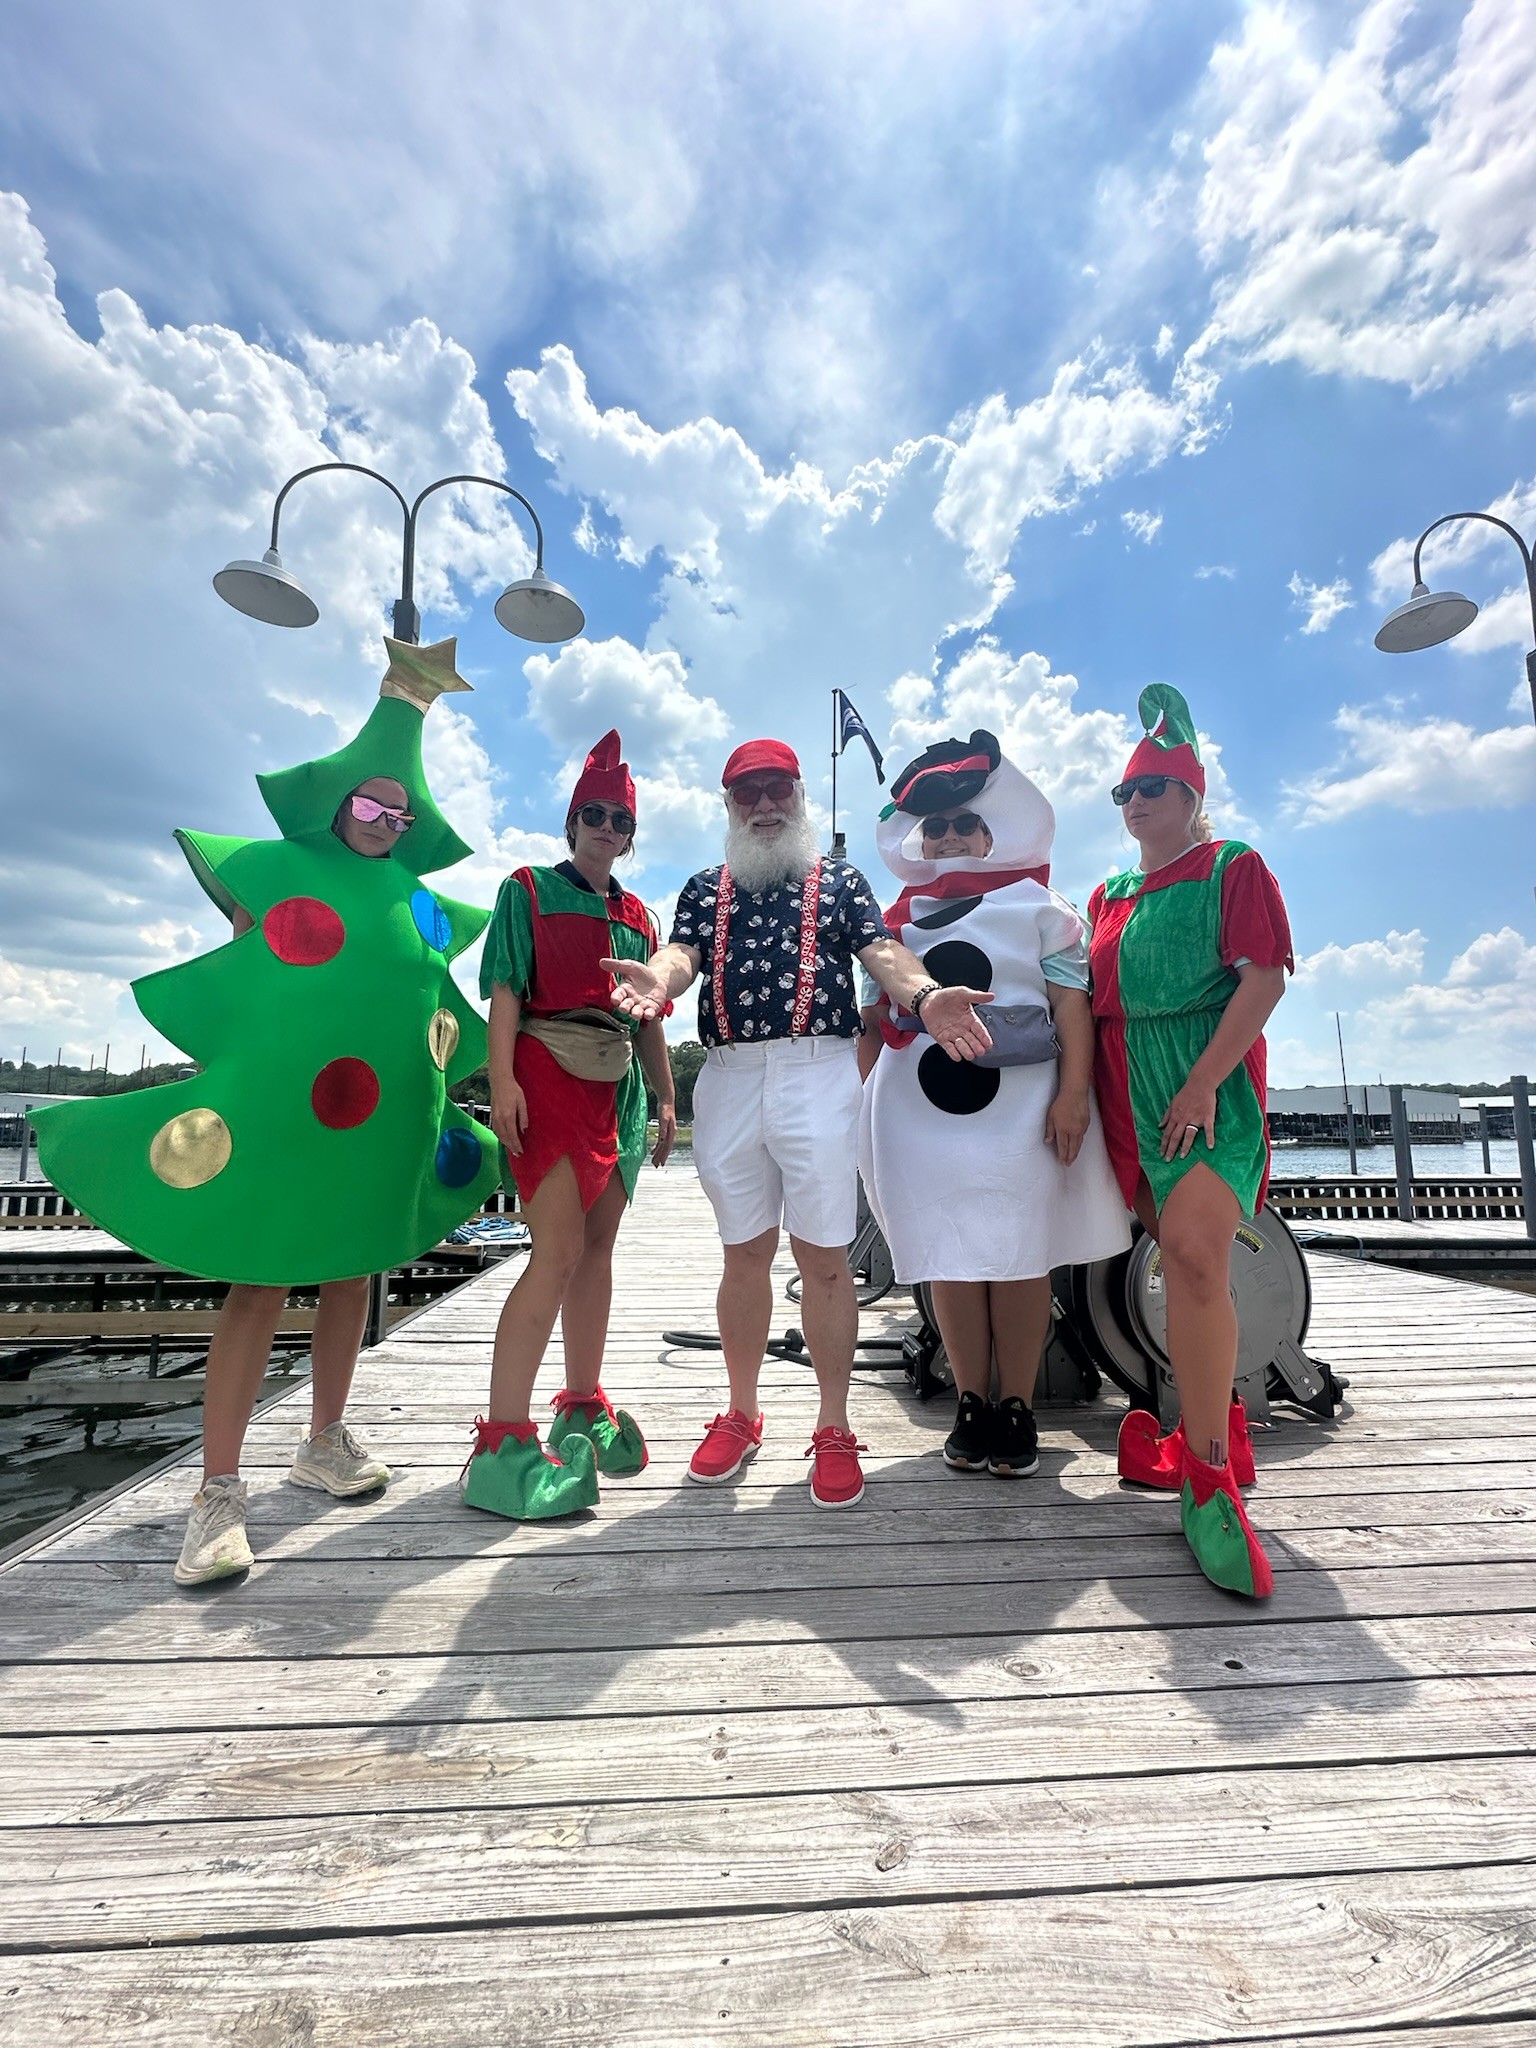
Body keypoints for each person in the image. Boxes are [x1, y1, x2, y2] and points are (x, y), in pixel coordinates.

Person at [605, 738, 993, 1509]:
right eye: (747, 794)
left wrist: (923, 995)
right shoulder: (704, 887)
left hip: (819, 1072)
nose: (764, 805)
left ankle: (833, 1423)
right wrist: (660, 975)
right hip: (730, 1077)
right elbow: (681, 955)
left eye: (777, 788)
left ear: (800, 795)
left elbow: (883, 951)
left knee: (823, 1260)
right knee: (742, 1256)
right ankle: (743, 1412)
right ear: (728, 807)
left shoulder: (839, 881)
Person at [859, 731, 1130, 1478]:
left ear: (992, 832)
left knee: (1017, 1255)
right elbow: (873, 1023)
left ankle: (1018, 1406)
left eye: (963, 824)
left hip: (1020, 1108)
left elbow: (1072, 1007)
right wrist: (853, 1109)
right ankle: (970, 1401)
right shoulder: (891, 923)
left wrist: (1074, 1096)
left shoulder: (1042, 907)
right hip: (920, 1114)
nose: (948, 836)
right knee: (948, 1254)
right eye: (936, 827)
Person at [1088, 685, 1293, 1599]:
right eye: (1127, 793)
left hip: (1200, 1084)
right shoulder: (1109, 893)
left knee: (1202, 1262)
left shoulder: (1233, 864)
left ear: (1193, 794)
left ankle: (1207, 1482)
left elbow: (1263, 981)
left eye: (1157, 789)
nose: (1138, 806)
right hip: (1119, 1089)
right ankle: (1214, 1433)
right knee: (1167, 1261)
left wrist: (1206, 1080)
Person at [461, 732, 677, 1521]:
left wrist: (663, 1095)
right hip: (548, 1069)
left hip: (615, 1084)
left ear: (629, 835)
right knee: (552, 1253)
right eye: (594, 814)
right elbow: (506, 992)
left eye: (620, 820)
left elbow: (649, 1013)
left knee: (597, 1251)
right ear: (571, 821)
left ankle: (581, 1403)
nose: (606, 829)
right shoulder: (524, 887)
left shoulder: (637, 914)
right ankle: (503, 1443)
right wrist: (505, 1079)